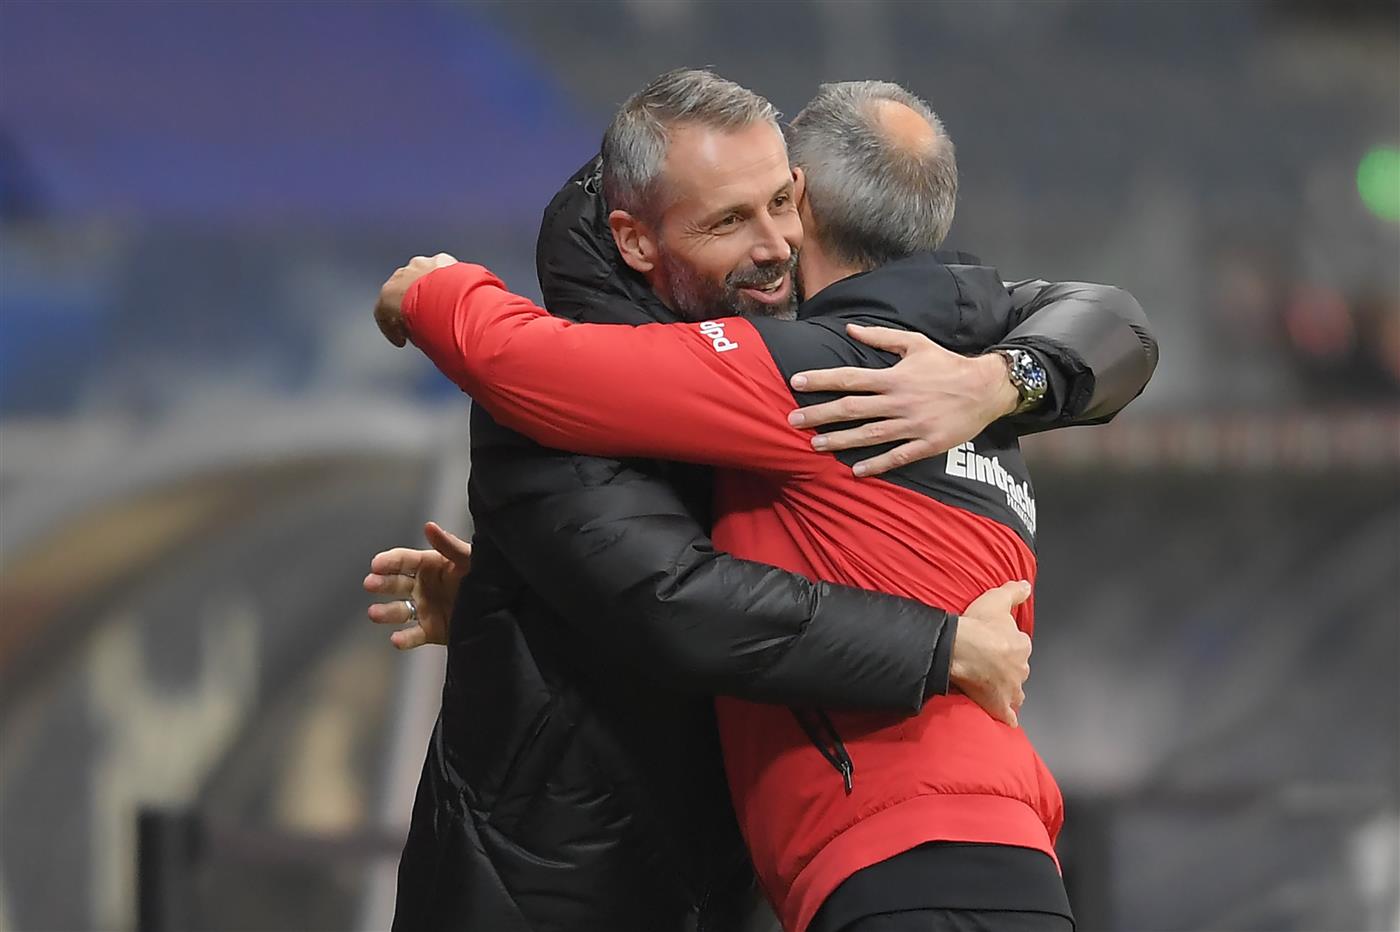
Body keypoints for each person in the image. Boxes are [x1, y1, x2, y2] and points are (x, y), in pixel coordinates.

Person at [373, 71, 1157, 932]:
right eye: (729, 220)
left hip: (811, 875)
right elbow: (672, 601)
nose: (775, 244)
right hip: (549, 896)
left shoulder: (872, 362)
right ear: (635, 239)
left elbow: (1112, 320)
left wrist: (1003, 378)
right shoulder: (797, 365)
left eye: (779, 203)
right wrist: (941, 645)